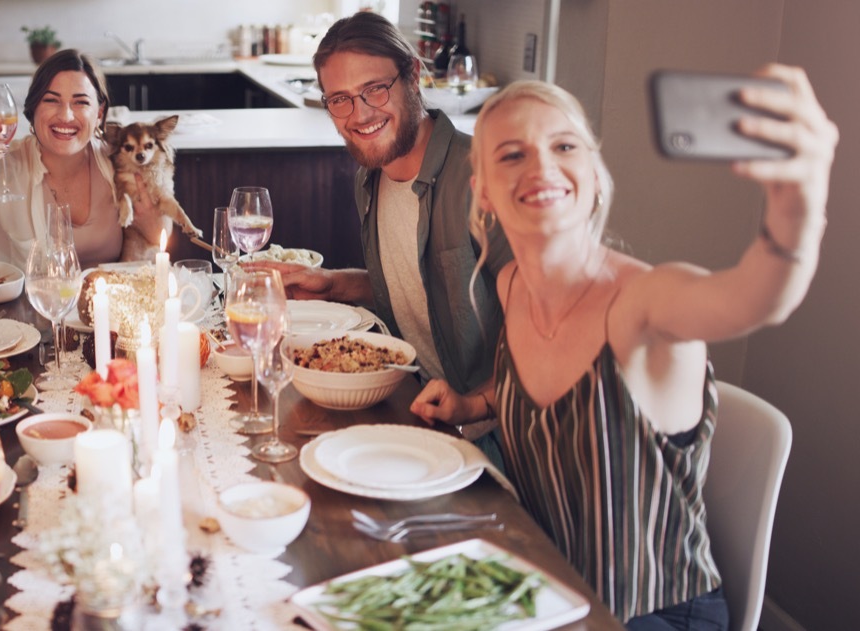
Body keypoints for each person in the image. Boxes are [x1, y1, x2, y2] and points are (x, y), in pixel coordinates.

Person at [424, 67, 835, 627]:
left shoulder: (647, 301)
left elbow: (755, 297)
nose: (542, 166)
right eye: (512, 155)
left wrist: (797, 209)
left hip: (654, 615)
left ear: (593, 171)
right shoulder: (510, 284)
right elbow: (541, 395)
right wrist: (474, 404)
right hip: (548, 592)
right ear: (484, 192)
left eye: (563, 145)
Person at [249, 12, 512, 464]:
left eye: (374, 89)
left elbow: (545, 330)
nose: (360, 114)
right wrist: (332, 283)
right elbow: (420, 286)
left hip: (489, 442)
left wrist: (475, 405)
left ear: (412, 74)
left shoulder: (482, 179)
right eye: (340, 99)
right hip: (409, 409)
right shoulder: (371, 178)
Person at [0, 49, 167, 270]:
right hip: (25, 329)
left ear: (99, 113)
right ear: (32, 108)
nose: (66, 116)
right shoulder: (0, 167)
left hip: (110, 322)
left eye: (81, 102)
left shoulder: (121, 162)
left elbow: (159, 237)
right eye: (51, 100)